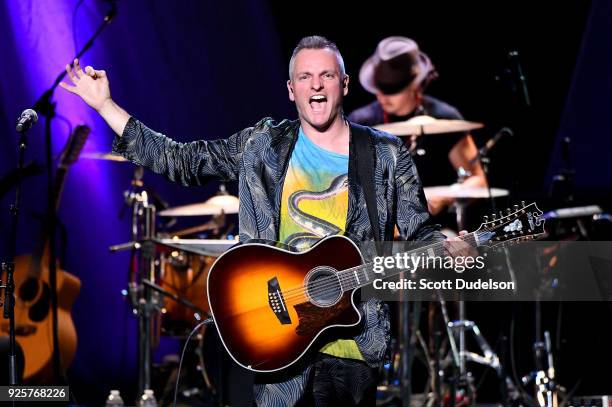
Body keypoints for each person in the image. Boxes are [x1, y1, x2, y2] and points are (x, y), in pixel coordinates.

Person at [61, 36, 446, 406]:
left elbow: (421, 232)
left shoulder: (386, 154)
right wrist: (107, 106)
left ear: (343, 85)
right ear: (291, 89)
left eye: (327, 75)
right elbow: (181, 159)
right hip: (279, 342)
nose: (316, 85)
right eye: (305, 77)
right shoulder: (261, 146)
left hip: (353, 349)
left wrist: (446, 247)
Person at [349, 36, 486, 219]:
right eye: (379, 88)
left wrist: (444, 197)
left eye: (392, 90)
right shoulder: (362, 122)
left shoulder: (444, 117)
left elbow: (478, 180)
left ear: (414, 84)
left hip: (436, 230)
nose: (382, 96)